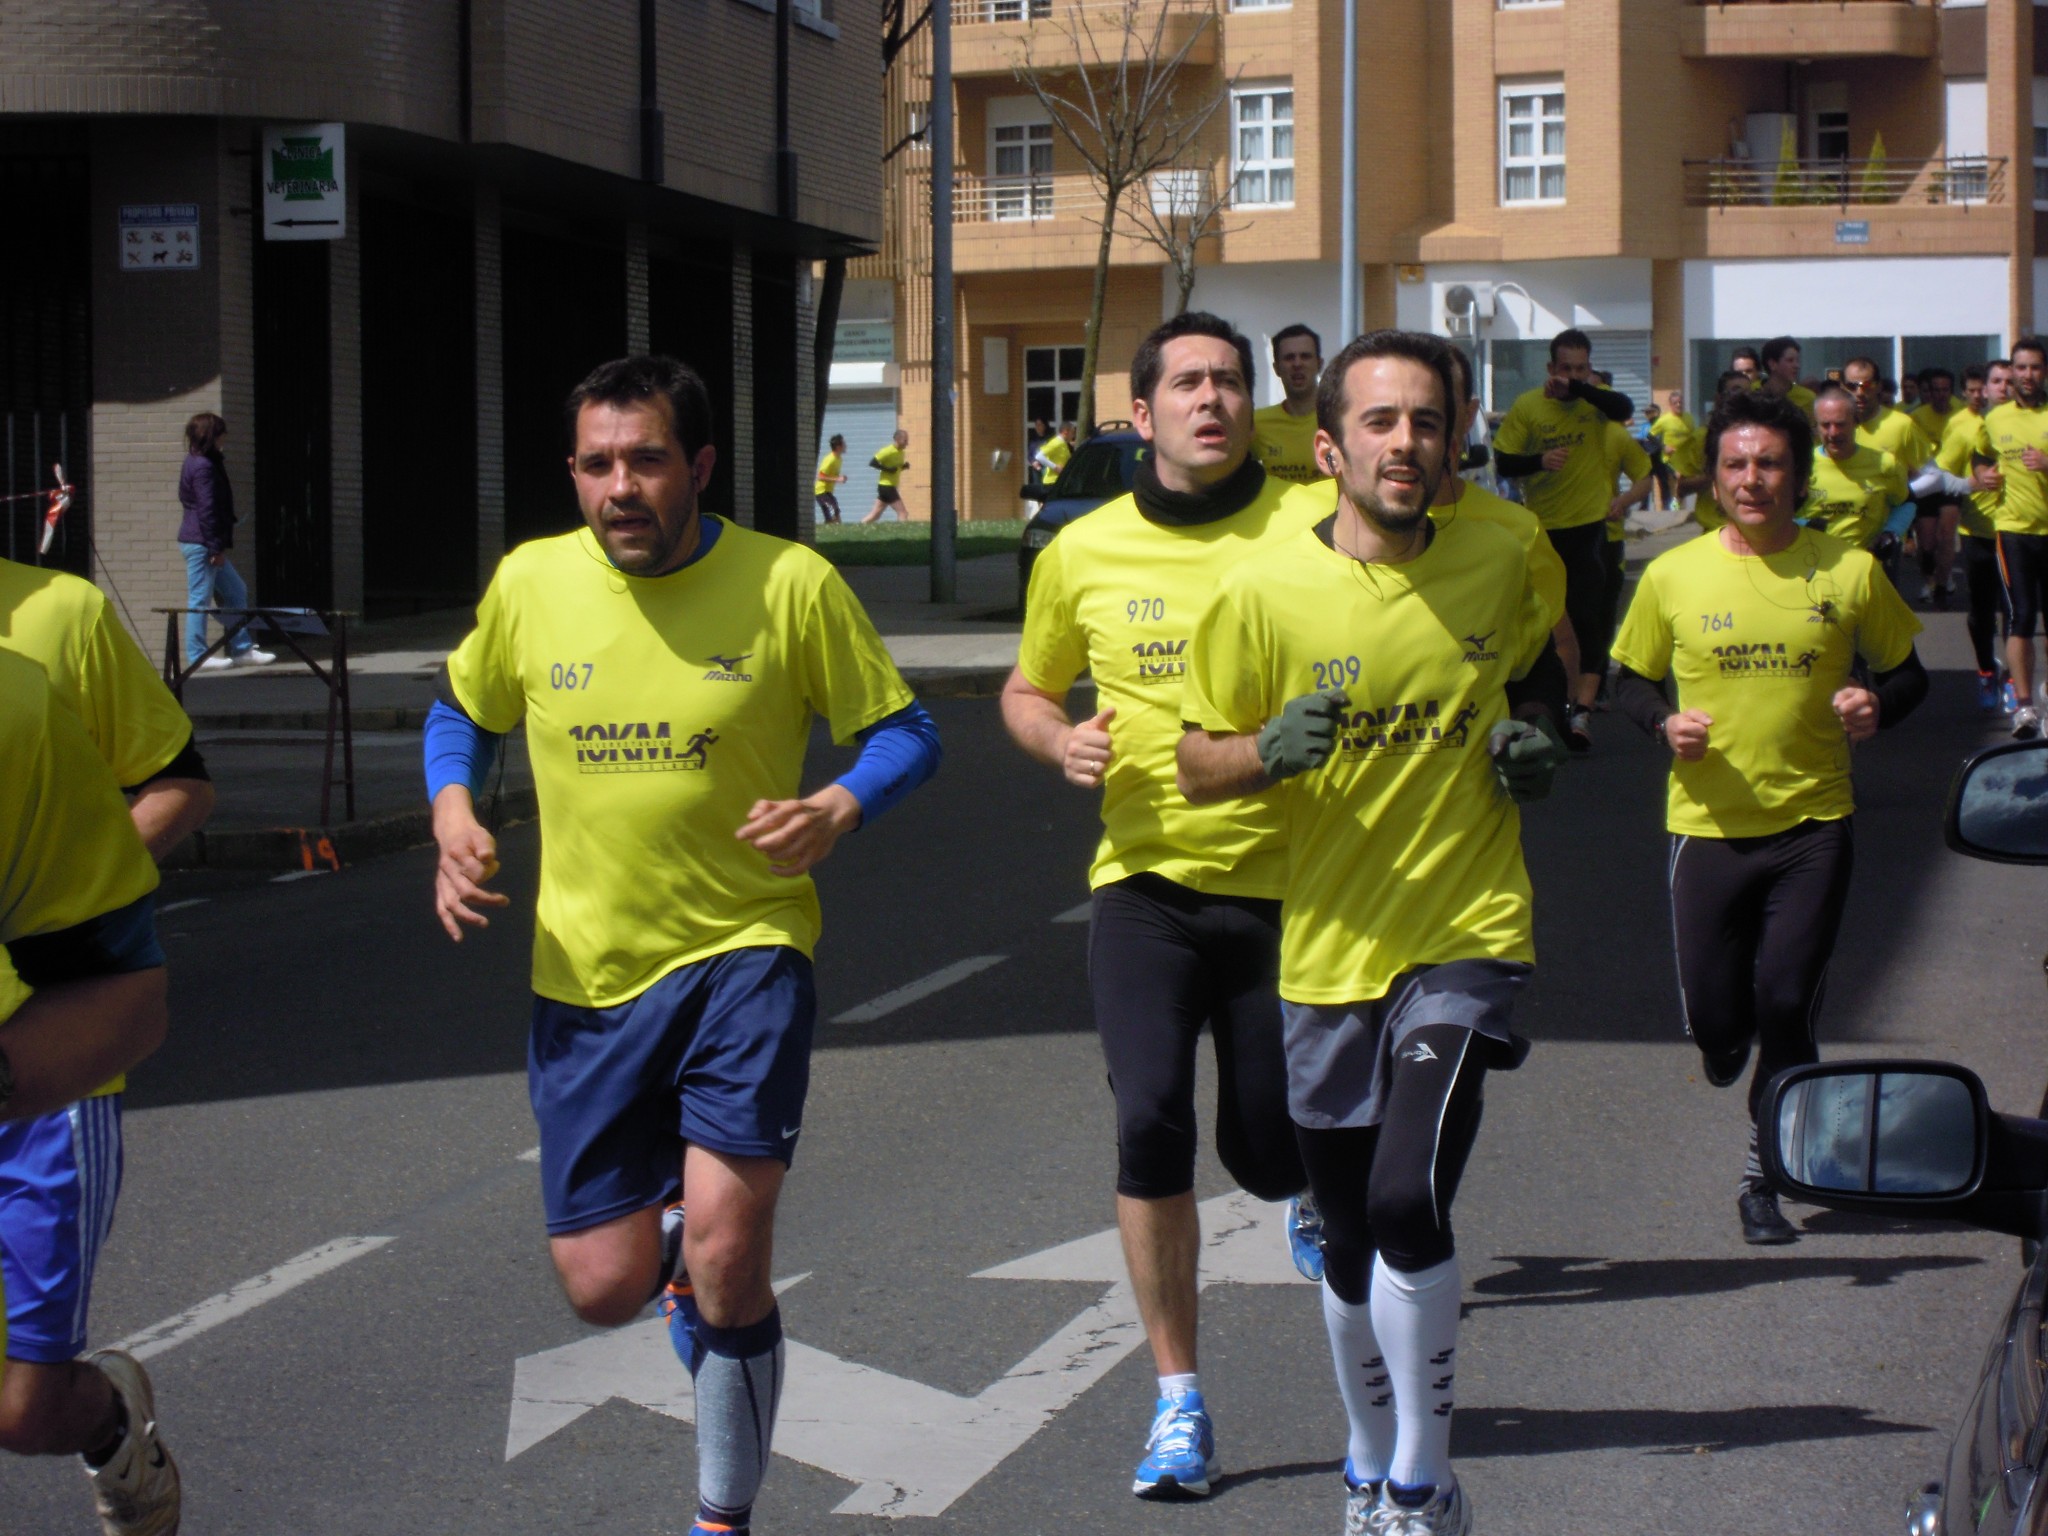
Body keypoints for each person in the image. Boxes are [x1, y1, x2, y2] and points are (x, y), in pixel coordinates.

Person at [426, 355, 940, 1536]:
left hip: (744, 951)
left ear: (698, 467)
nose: (619, 488)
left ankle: (722, 1515)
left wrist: (836, 806)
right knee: (601, 1290)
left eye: (645, 460)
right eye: (596, 464)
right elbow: (462, 711)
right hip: (586, 975)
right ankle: (667, 1258)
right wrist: (454, 811)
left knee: (726, 1254)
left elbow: (906, 732)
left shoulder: (790, 585)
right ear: (572, 472)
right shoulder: (530, 584)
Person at [1177, 328, 1566, 1536]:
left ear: (1454, 439)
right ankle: (1362, 1443)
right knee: (1344, 1240)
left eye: (1428, 423)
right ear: (1330, 445)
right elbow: (1194, 764)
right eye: (1382, 424)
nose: (1407, 444)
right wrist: (1259, 754)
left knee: (1406, 1201)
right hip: (1327, 948)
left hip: (1463, 926)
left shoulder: (1505, 549)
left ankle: (1420, 1478)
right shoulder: (1257, 590)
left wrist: (1533, 742)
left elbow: (1535, 684)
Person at [1001, 311, 1321, 1501]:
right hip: (1141, 883)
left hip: (1292, 885)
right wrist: (1057, 741)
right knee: (1148, 1122)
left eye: (1229, 382)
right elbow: (1026, 689)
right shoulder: (1081, 551)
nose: (1213, 399)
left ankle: (1293, 1188)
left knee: (1266, 1141)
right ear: (1141, 414)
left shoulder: (1308, 528)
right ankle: (1177, 1399)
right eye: (1186, 381)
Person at [1610, 389, 1926, 1245]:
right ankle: (1722, 1046)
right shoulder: (1672, 573)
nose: (1753, 480)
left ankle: (1765, 1180)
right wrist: (1660, 722)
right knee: (1720, 1021)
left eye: (1771, 463)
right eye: (1737, 465)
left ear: (1799, 471)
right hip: (1707, 831)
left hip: (1812, 827)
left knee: (1787, 1004)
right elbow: (1625, 679)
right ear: (1713, 477)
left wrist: (1876, 705)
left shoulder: (1848, 569)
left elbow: (1908, 673)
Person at [0, 555, 212, 1533]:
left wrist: (73, 873)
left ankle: (106, 1423)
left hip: (45, 1067)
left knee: (22, 1407)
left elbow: (176, 782)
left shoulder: (59, 626)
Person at [1490, 327, 1634, 751]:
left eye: (1581, 368)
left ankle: (1582, 712)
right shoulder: (1529, 407)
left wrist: (1584, 389)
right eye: (1565, 368)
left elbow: (1623, 407)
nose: (1573, 375)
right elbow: (1504, 461)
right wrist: (1539, 460)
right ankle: (1552, 701)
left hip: (1590, 528)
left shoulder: (1595, 403)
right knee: (1551, 624)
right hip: (1543, 530)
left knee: (1590, 621)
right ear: (1550, 368)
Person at [1973, 337, 2048, 738]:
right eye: (2021, 368)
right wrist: (1984, 474)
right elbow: (1979, 453)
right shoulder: (1996, 418)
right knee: (2020, 617)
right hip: (2013, 529)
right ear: (2012, 372)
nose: (2028, 375)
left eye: (2035, 367)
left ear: (2044, 371)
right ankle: (2024, 707)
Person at [1936, 361, 2012, 711]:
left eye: (2006, 382)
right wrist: (1970, 482)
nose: (1998, 389)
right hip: (1978, 530)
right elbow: (1941, 474)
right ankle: (1985, 670)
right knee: (1982, 611)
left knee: (2017, 611)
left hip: (2018, 529)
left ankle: (2012, 677)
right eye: (1993, 382)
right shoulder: (1963, 426)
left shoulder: (2029, 421)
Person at [175, 413, 272, 670]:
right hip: (202, 543)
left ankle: (241, 649)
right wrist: (215, 548)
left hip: (202, 540)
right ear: (212, 436)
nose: (225, 438)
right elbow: (206, 509)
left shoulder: (200, 461)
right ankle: (198, 655)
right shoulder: (203, 466)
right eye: (221, 433)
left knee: (235, 591)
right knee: (200, 599)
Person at [1804, 383, 1909, 554]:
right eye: (1825, 425)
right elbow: (1782, 513)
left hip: (1868, 561)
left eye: (1840, 424)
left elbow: (1906, 503)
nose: (1833, 433)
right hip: (1814, 561)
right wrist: (1803, 525)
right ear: (1815, 426)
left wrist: (1891, 533)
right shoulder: (1803, 464)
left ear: (1856, 422)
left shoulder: (1885, 464)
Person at [1907, 367, 1965, 606]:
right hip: (1927, 480)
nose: (1941, 395)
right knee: (1927, 542)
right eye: (1936, 390)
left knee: (1946, 535)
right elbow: (1910, 450)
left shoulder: (1962, 414)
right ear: (1929, 392)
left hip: (1952, 481)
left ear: (1951, 391)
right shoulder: (1917, 417)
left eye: (1945, 390)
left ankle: (1941, 583)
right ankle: (1930, 579)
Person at [1253, 324, 1329, 485]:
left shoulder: (1337, 418)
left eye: (1305, 356)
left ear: (1320, 364)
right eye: (1289, 358)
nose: (1297, 364)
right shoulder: (1258, 423)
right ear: (1276, 368)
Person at [1649, 389, 1706, 524]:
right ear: (1670, 404)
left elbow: (1693, 437)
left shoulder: (1689, 418)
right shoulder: (1665, 420)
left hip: (1686, 459)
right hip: (1670, 459)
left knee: (1681, 485)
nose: (1678, 405)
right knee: (1675, 481)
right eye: (1675, 403)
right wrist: (1663, 447)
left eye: (1680, 402)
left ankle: (1676, 510)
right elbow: (1650, 436)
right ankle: (1671, 511)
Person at [860, 428, 912, 525]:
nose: (907, 443)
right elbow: (873, 463)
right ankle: (903, 535)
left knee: (875, 515)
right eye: (905, 440)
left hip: (889, 486)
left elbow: (896, 468)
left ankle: (859, 526)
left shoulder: (901, 452)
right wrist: (887, 469)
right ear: (898, 439)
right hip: (886, 486)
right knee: (903, 513)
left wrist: (904, 467)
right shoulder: (887, 451)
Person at [1758, 337, 1817, 419]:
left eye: (1797, 360)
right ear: (1772, 364)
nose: (1797, 366)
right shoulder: (1751, 391)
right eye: (1790, 360)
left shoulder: (1808, 398)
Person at [812, 433, 847, 524]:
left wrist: (840, 478)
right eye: (843, 444)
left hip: (828, 492)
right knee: (833, 511)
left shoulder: (839, 459)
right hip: (821, 492)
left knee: (835, 511)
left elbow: (832, 476)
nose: (845, 446)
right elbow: (820, 476)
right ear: (838, 446)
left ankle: (835, 528)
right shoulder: (830, 459)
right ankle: (833, 526)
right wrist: (837, 479)